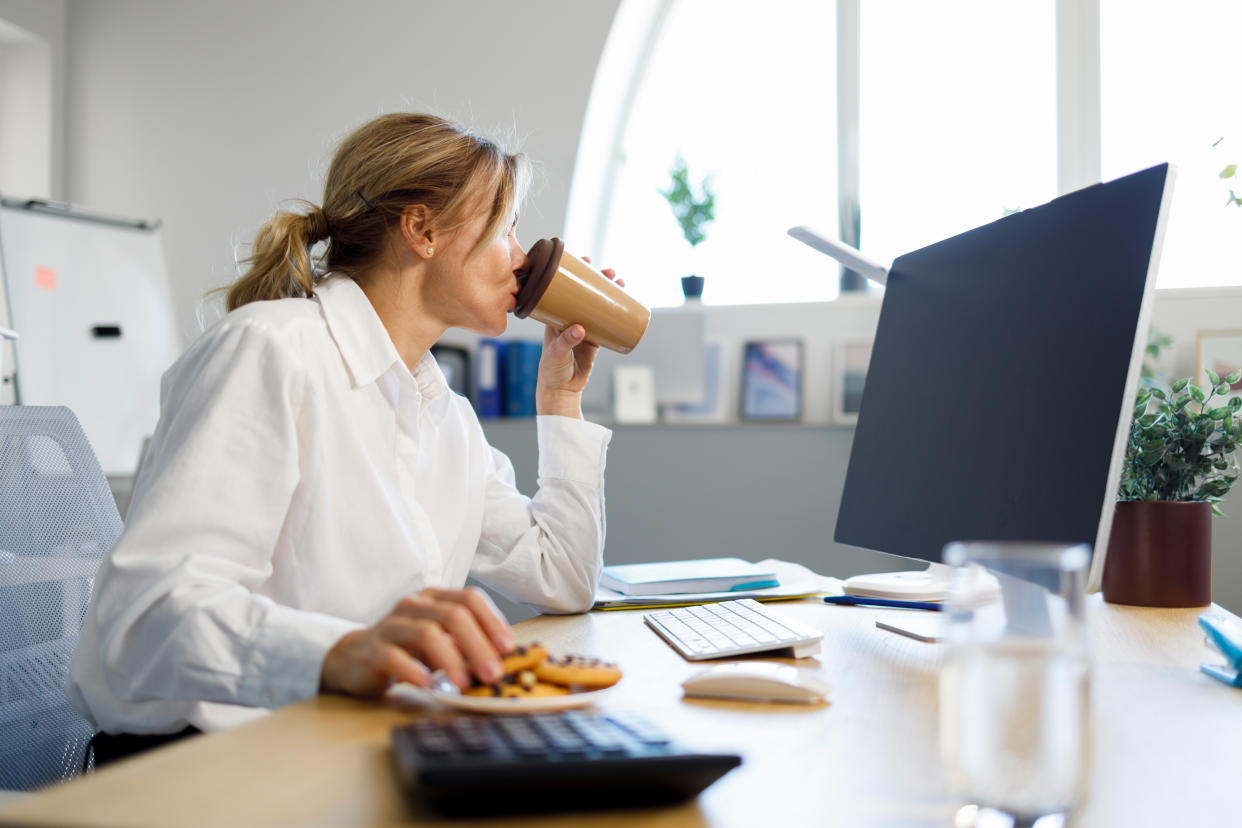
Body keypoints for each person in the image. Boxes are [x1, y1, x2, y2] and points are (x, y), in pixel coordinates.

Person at [68, 113, 617, 763]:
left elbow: (564, 578)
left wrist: (560, 399)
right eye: (506, 228)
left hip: (348, 745)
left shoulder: (445, 417)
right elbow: (144, 618)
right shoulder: (272, 350)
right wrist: (338, 652)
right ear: (422, 230)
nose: (523, 259)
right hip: (206, 764)